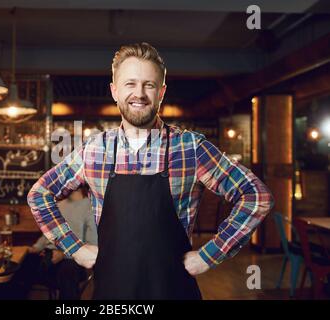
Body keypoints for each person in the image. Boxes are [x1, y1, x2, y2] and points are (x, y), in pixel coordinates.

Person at [28, 42, 274, 300]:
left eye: (149, 84)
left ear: (161, 92)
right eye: (130, 84)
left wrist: (209, 254)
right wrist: (75, 248)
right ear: (114, 91)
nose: (139, 93)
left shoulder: (190, 148)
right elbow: (40, 194)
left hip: (173, 290)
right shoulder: (94, 150)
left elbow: (256, 195)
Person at [27, 187, 97, 300]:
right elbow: (47, 234)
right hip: (48, 256)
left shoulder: (90, 207)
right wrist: (34, 248)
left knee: (68, 272)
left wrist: (64, 254)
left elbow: (92, 245)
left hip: (73, 261)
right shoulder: (58, 205)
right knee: (19, 266)